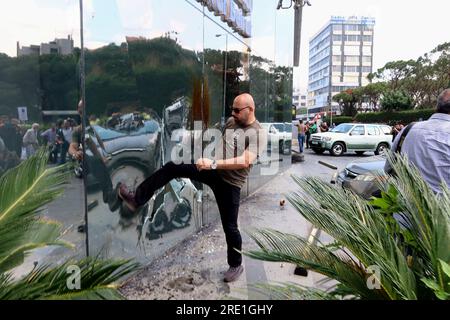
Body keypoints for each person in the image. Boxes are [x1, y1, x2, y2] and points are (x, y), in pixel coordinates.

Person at [118, 93, 267, 283]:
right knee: (172, 167)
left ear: (250, 109)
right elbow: (217, 139)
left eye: (237, 110)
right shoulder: (231, 122)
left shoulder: (258, 133)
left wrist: (212, 163)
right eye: (232, 109)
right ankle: (136, 199)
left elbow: (246, 160)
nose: (233, 113)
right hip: (212, 169)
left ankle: (236, 264)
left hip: (230, 184)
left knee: (230, 227)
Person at [385, 89, 450, 194]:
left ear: (437, 107)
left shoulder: (409, 129)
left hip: (405, 207)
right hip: (443, 209)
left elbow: (389, 168)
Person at [69, 100, 121, 218]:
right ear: (79, 111)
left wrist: (105, 154)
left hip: (96, 160)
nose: (83, 112)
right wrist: (75, 153)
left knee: (100, 169)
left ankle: (108, 196)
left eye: (85, 109)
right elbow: (72, 146)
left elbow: (99, 143)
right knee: (94, 162)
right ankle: (108, 195)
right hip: (86, 161)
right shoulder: (78, 130)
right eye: (81, 110)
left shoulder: (96, 127)